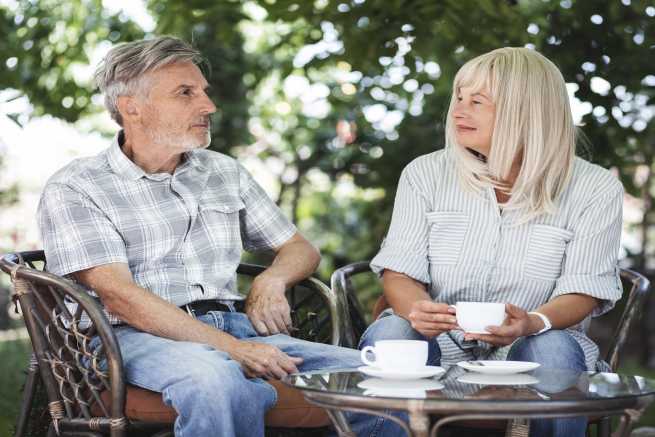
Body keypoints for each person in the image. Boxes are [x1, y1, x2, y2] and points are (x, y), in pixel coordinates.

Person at [37, 36, 382, 437]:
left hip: (234, 325)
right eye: (186, 92)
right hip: (126, 340)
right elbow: (120, 297)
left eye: (204, 91)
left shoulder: (223, 172)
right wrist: (233, 350)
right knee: (215, 379)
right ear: (132, 107)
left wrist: (272, 280)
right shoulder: (77, 186)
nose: (208, 106)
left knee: (375, 376)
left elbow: (299, 248)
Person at [360, 47, 623, 437]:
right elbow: (400, 272)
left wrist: (533, 322)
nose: (458, 111)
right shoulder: (424, 174)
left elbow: (584, 289)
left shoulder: (595, 188)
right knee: (393, 334)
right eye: (459, 98)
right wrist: (418, 310)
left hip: (536, 345)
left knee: (552, 349)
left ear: (524, 111)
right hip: (441, 345)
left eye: (477, 101)